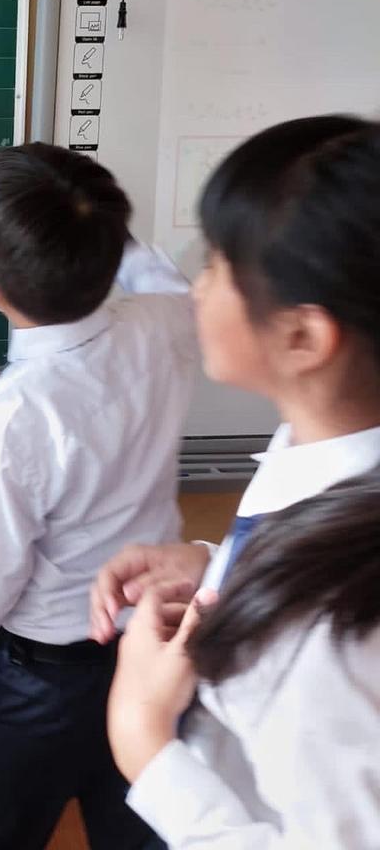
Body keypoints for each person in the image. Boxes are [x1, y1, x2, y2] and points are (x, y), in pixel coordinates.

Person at [95, 114, 380, 848]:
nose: (195, 286)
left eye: (218, 264)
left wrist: (143, 741)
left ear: (302, 335)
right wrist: (219, 566)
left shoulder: (331, 631)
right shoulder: (321, 447)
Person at [0, 144, 197, 850]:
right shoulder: (167, 319)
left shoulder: (10, 418)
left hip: (40, 689)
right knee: (144, 832)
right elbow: (149, 269)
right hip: (153, 653)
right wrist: (88, 221)